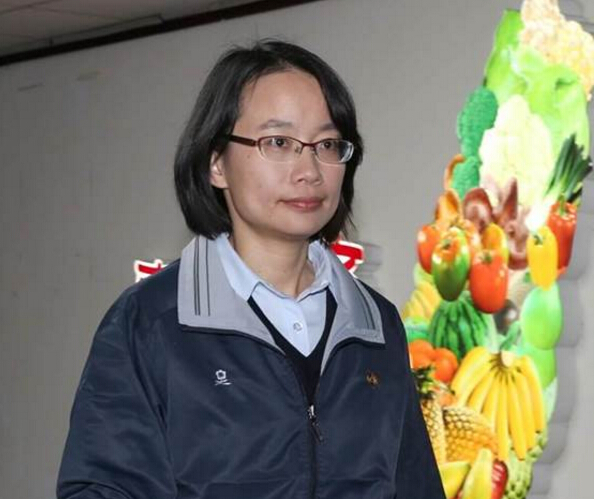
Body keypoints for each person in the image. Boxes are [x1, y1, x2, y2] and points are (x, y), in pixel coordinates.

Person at [56, 39, 444, 499]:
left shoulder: (375, 325)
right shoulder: (152, 321)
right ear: (216, 163)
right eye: (278, 142)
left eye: (326, 144)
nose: (309, 170)